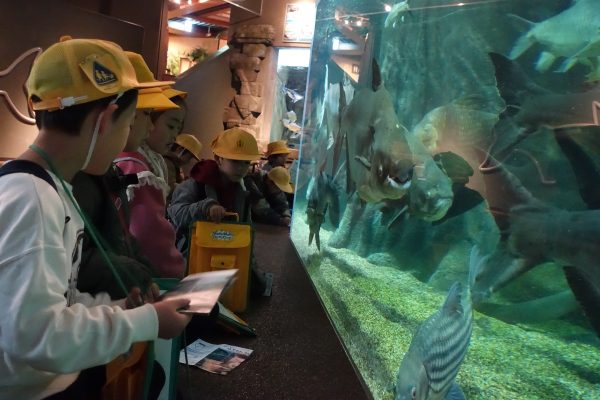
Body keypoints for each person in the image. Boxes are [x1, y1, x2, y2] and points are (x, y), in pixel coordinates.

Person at [0, 37, 191, 399]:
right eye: (129, 122)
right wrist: (147, 321)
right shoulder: (33, 198)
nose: (127, 136)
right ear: (105, 119)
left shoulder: (50, 189)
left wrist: (116, 309)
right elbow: (38, 337)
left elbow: (56, 304)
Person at [72, 51, 179, 298]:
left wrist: (146, 275)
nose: (150, 126)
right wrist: (139, 275)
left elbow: (121, 238)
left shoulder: (105, 170)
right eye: (145, 114)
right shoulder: (81, 179)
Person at [167, 127, 269, 295]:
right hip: (195, 256)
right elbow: (176, 214)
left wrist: (250, 266)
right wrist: (205, 208)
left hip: (228, 254)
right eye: (235, 161)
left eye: (246, 162)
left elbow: (247, 231)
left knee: (256, 287)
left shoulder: (242, 190)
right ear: (218, 159)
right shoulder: (194, 185)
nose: (241, 168)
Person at [114, 52, 186, 279]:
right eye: (147, 113)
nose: (150, 125)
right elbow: (148, 236)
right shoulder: (136, 169)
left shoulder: (138, 164)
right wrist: (176, 271)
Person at [164, 133, 202, 197]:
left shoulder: (175, 165)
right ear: (179, 149)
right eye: (189, 157)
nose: (188, 161)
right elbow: (170, 188)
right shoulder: (167, 163)